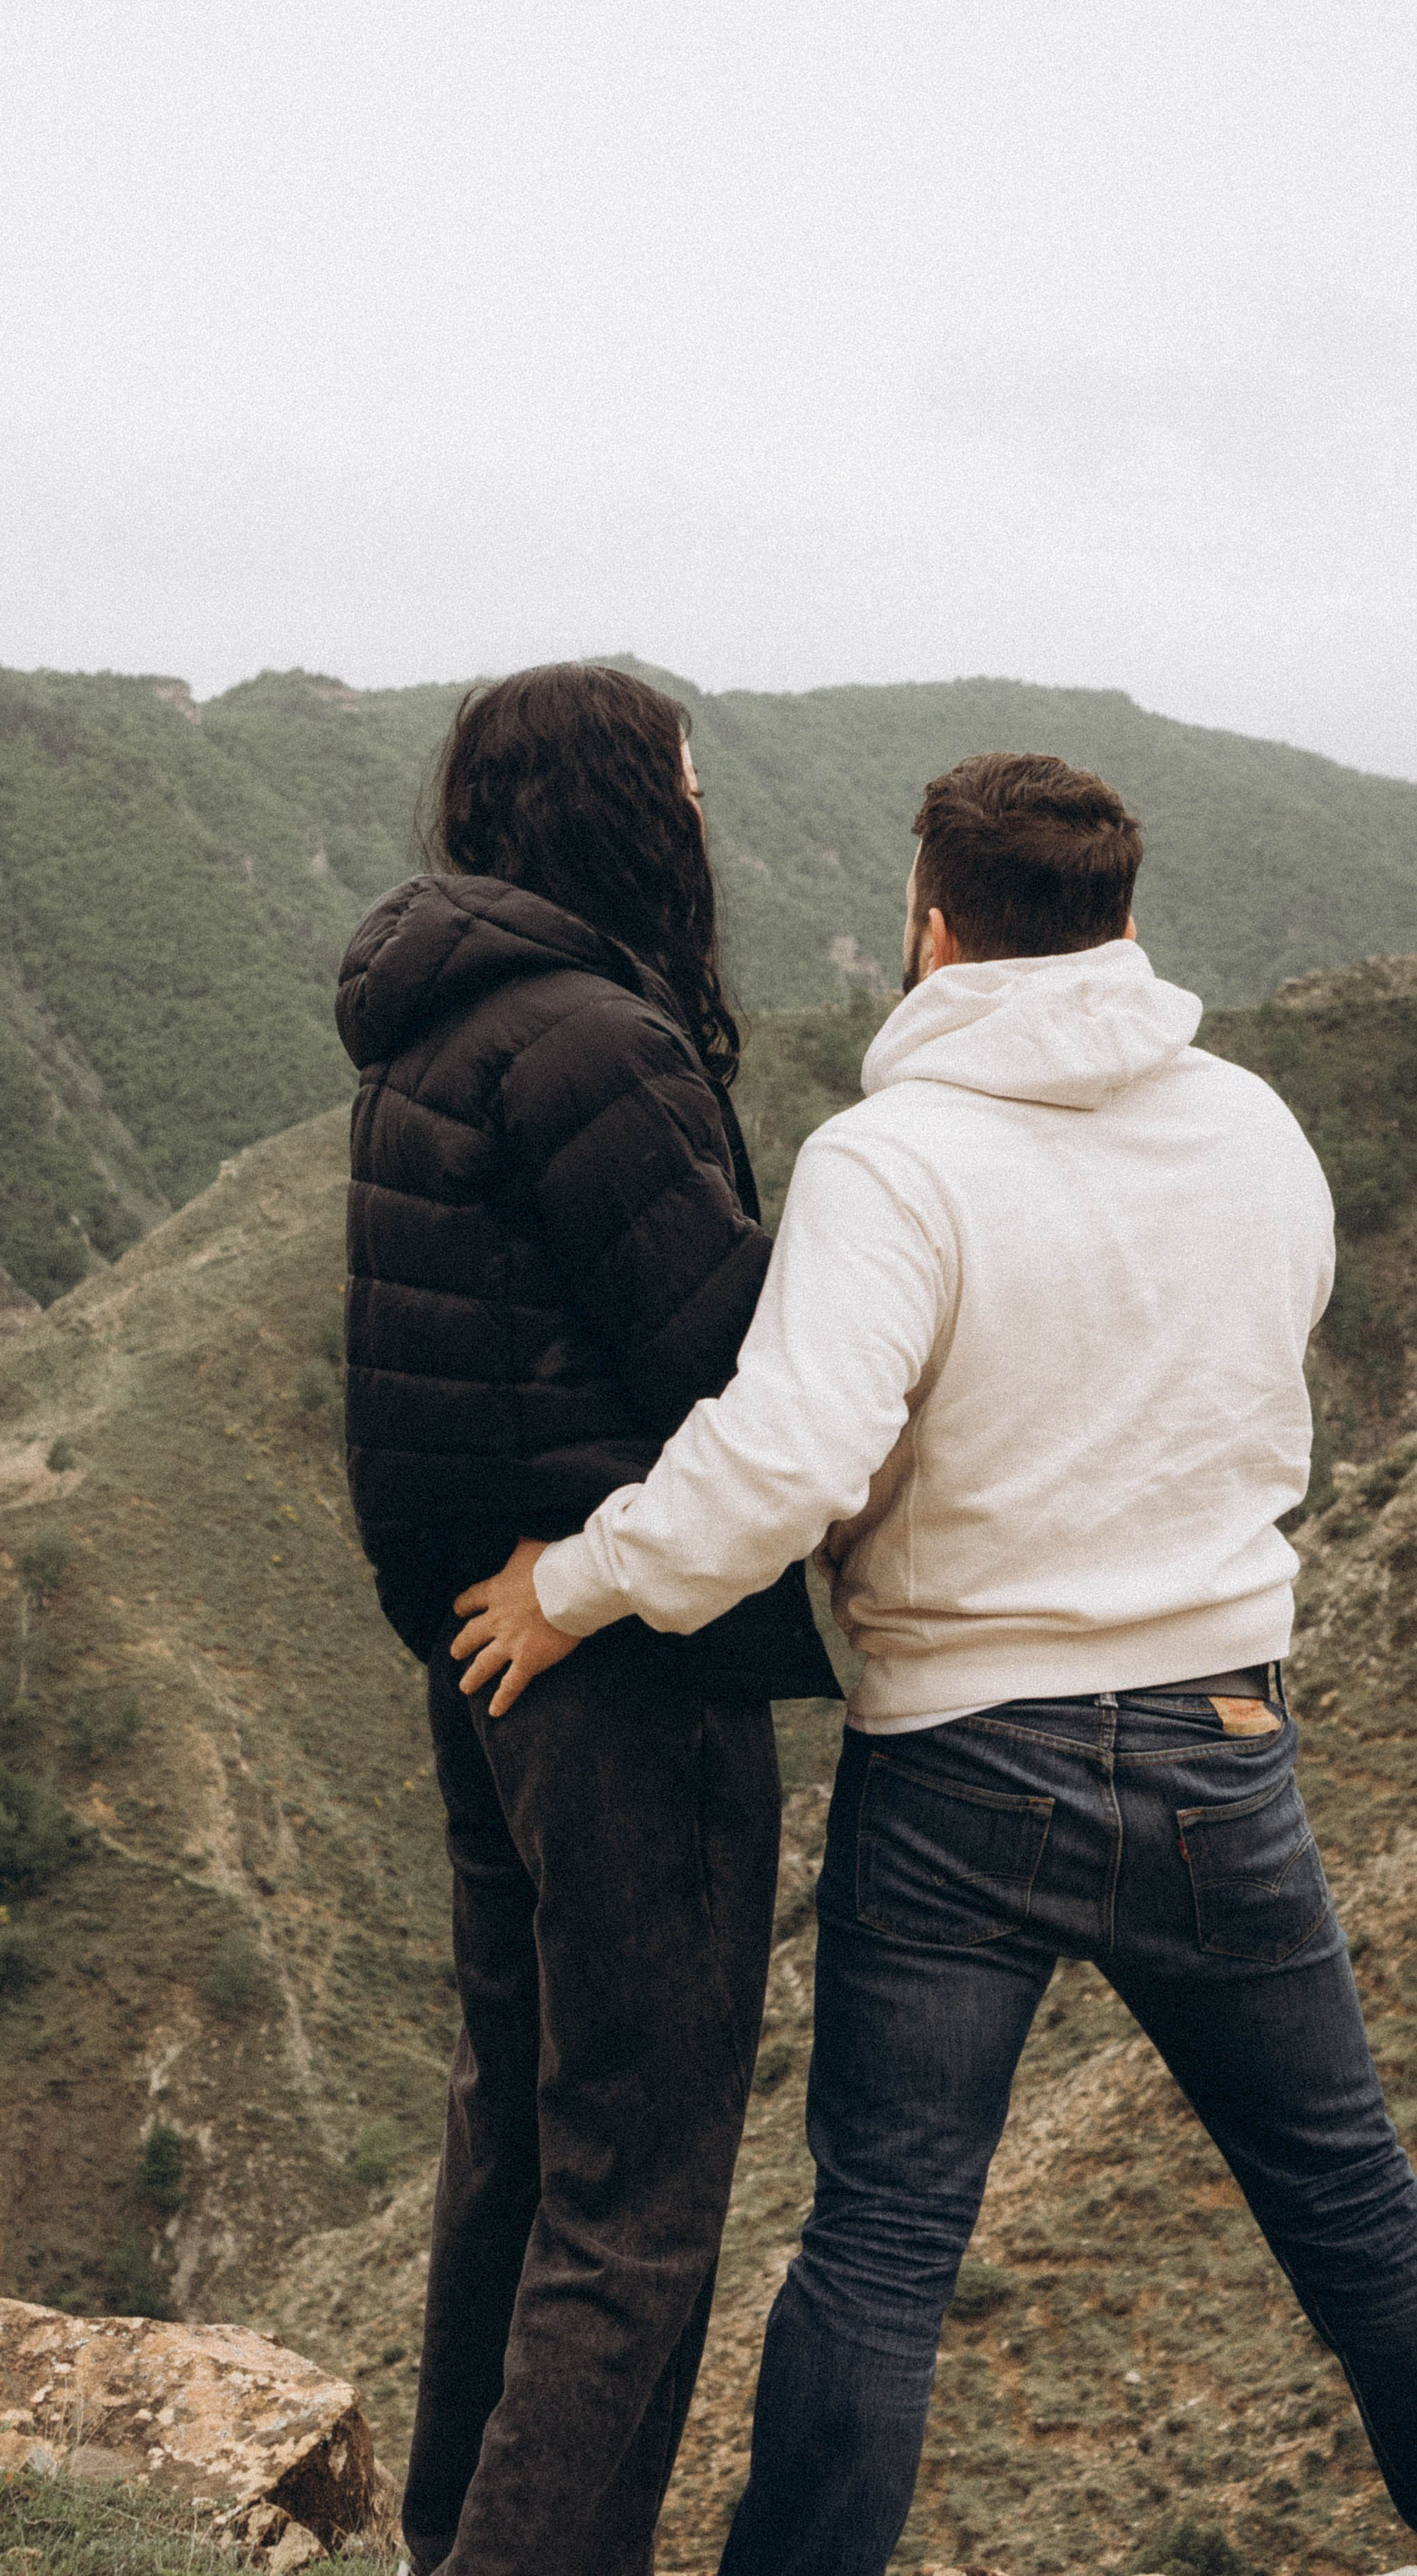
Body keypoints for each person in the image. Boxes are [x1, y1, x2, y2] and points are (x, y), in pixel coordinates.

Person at [453, 750, 1417, 2575]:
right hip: (1221, 1739)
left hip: (969, 1764)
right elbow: (1249, 1369)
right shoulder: (1252, 1129)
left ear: (934, 920)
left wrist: (572, 1586)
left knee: (885, 2245)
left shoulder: (895, 1159)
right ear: (1124, 921)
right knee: (1356, 2212)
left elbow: (795, 1458)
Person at [336, 661, 837, 2576]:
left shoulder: (431, 1031)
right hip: (619, 1655)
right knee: (636, 2192)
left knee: (519, 2140)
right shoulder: (597, 1046)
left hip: (484, 1655)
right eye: (690, 781)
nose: (707, 811)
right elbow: (738, 1366)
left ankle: (450, 2535)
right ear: (632, 808)